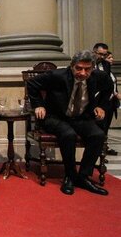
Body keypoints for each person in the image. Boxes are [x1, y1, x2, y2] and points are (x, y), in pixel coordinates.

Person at [27, 50, 112, 196]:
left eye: (87, 69)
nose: (83, 73)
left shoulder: (99, 77)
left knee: (98, 135)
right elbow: (32, 84)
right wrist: (38, 105)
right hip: (55, 117)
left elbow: (109, 88)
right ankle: (70, 176)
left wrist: (101, 106)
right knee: (68, 134)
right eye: (78, 68)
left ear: (92, 68)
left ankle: (83, 177)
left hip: (80, 117)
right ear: (72, 66)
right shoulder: (57, 76)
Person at [92, 43, 119, 155]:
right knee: (96, 127)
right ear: (94, 52)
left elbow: (108, 83)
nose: (103, 57)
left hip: (106, 102)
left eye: (105, 54)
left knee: (105, 127)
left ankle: (102, 150)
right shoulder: (89, 64)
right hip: (94, 101)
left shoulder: (106, 65)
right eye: (100, 54)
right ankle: (96, 151)